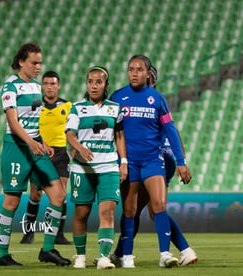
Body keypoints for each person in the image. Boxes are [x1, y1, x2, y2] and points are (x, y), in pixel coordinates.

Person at [109, 55, 192, 268]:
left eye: (139, 69)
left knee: (159, 205)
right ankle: (125, 256)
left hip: (153, 160)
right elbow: (109, 129)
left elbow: (171, 131)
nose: (134, 73)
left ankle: (165, 254)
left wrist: (181, 161)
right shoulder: (118, 97)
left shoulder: (157, 99)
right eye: (130, 69)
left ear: (148, 73)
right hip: (129, 163)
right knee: (129, 210)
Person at [0, 42, 71, 266]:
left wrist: (43, 142)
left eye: (40, 62)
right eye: (34, 62)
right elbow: (13, 121)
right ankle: (1, 255)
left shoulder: (36, 86)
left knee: (58, 196)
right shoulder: (10, 86)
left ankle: (47, 249)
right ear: (21, 62)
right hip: (16, 148)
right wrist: (30, 142)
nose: (38, 66)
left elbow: (34, 121)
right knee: (11, 201)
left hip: (36, 147)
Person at [65, 66, 128, 270]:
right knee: (81, 214)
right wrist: (80, 148)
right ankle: (80, 256)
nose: (94, 85)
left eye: (98, 82)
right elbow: (69, 135)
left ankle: (103, 258)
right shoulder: (77, 108)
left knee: (107, 212)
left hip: (108, 166)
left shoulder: (115, 108)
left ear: (105, 85)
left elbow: (119, 136)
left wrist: (123, 162)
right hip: (83, 169)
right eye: (90, 81)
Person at [19, 70, 72, 245]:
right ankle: (29, 233)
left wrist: (74, 149)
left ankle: (58, 234)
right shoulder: (35, 105)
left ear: (59, 86)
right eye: (46, 84)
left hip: (60, 153)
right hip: (39, 152)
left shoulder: (68, 106)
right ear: (42, 86)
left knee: (61, 194)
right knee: (36, 194)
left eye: (53, 84)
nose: (49, 87)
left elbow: (74, 130)